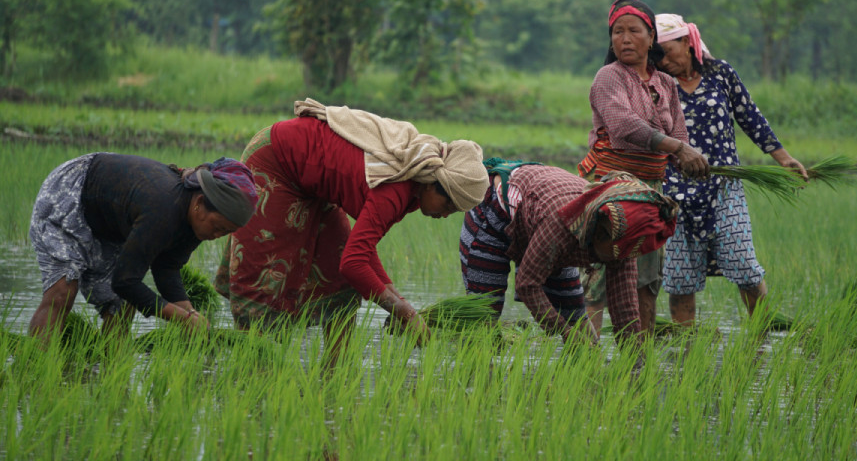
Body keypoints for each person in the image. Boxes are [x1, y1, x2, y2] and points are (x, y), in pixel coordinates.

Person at [215, 98, 490, 350]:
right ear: (433, 184)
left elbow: (361, 252)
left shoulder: (413, 188)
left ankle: (337, 373)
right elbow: (355, 262)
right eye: (448, 206)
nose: (445, 215)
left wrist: (401, 303)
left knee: (339, 281)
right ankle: (255, 364)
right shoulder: (395, 189)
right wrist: (403, 311)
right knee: (264, 277)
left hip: (312, 182)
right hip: (276, 160)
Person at [622, 0, 808, 326]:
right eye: (656, 55)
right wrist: (629, 5)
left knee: (745, 266)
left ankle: (763, 335)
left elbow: (749, 116)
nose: (663, 60)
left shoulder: (721, 74)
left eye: (668, 50)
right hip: (674, 196)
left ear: (688, 42)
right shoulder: (655, 84)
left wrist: (782, 157)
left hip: (724, 188)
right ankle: (686, 352)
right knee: (680, 281)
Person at [578, 0, 709, 335]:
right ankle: (585, 358)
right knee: (597, 277)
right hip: (610, 188)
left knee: (647, 280)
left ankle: (639, 362)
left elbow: (678, 132)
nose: (624, 38)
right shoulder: (608, 77)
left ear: (651, 37)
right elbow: (625, 128)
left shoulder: (665, 84)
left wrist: (690, 160)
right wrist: (680, 149)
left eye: (633, 31)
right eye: (617, 32)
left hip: (651, 192)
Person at [28, 153, 258, 343]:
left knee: (122, 307)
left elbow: (167, 268)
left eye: (225, 233)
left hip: (111, 223)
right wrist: (180, 317)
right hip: (73, 192)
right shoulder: (163, 208)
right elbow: (125, 281)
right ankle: (35, 372)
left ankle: (113, 382)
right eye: (218, 226)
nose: (216, 236)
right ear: (199, 204)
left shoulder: (196, 223)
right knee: (62, 292)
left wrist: (190, 313)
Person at [469, 164, 679, 346]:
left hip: (542, 222)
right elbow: (527, 283)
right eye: (616, 251)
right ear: (599, 231)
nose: (620, 259)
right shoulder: (562, 226)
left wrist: (636, 361)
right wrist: (564, 331)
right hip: (496, 211)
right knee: (482, 321)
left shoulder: (624, 243)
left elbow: (624, 307)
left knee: (584, 337)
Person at [459, 158, 586, 327]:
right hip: (493, 213)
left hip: (539, 214)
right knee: (483, 317)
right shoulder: (559, 225)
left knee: (574, 314)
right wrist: (561, 328)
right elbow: (527, 284)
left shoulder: (612, 236)